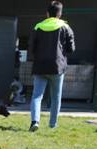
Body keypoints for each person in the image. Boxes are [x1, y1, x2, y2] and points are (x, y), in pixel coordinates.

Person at [28, 1, 75, 131]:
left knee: (37, 96)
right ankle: (53, 125)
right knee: (56, 97)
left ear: (47, 13)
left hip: (40, 66)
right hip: (57, 67)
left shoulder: (38, 27)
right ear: (60, 14)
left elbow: (31, 47)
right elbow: (71, 48)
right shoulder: (65, 27)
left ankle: (34, 122)